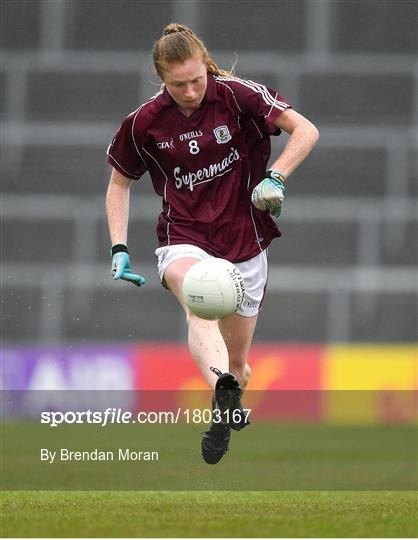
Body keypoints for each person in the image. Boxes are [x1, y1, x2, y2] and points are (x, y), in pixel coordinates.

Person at [106, 23, 319, 465]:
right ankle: (221, 382)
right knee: (199, 300)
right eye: (177, 84)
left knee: (241, 363)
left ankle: (226, 405)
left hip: (245, 240)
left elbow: (305, 130)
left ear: (206, 65)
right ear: (161, 79)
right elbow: (118, 185)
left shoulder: (237, 95)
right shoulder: (144, 123)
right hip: (183, 236)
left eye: (196, 80)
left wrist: (276, 177)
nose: (189, 91)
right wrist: (119, 247)